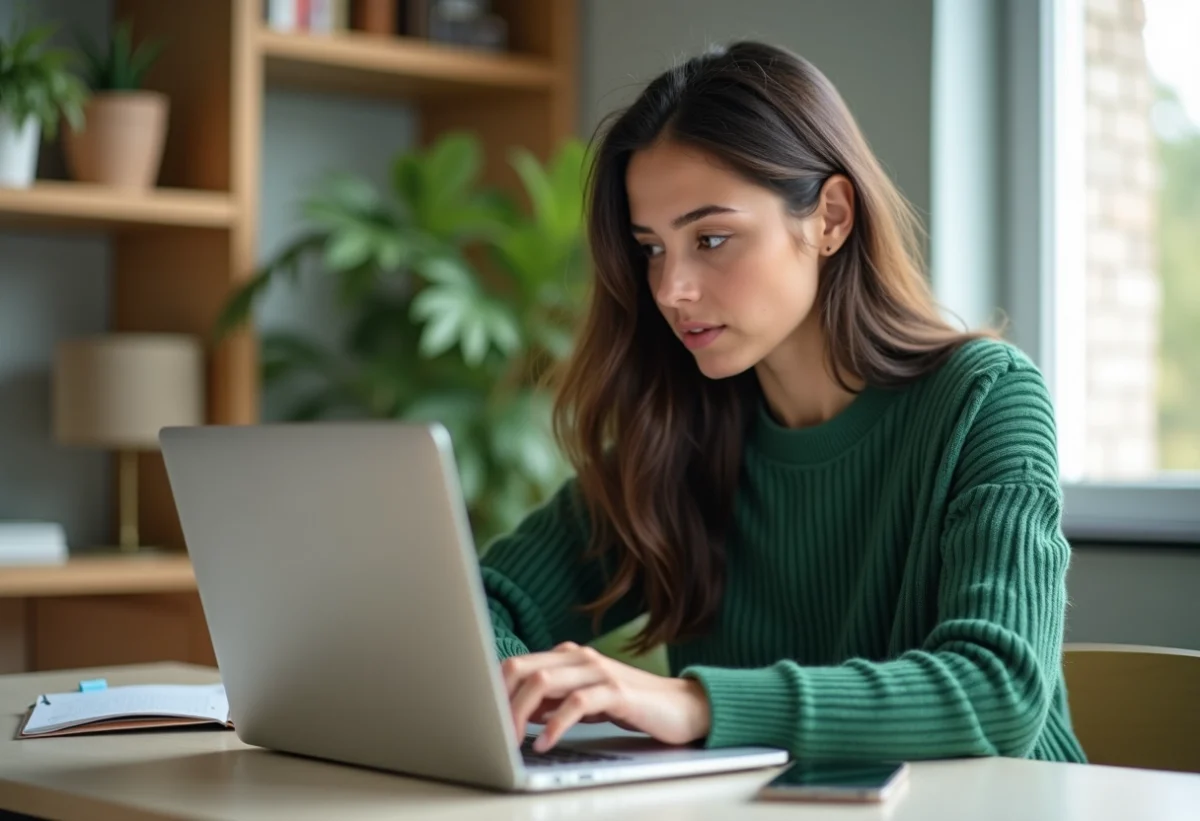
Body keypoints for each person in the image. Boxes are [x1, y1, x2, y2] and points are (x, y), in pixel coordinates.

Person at [479, 40, 1087, 765]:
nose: (672, 288)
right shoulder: (684, 432)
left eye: (711, 238)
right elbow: (482, 604)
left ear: (829, 217)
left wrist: (694, 703)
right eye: (651, 248)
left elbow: (1001, 689)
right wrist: (525, 689)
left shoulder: (985, 399)